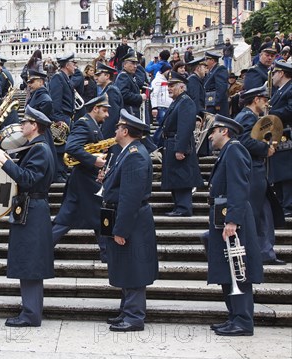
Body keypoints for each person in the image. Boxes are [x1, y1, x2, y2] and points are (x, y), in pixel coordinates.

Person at [0, 106, 56, 327]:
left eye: (25, 122)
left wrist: (5, 161)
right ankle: (29, 310)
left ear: (34, 126)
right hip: (30, 207)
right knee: (28, 262)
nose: (21, 126)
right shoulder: (36, 147)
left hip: (33, 209)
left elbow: (28, 179)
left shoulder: (40, 149)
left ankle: (30, 314)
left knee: (30, 263)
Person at [205, 114, 262, 336]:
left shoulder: (235, 150)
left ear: (224, 131)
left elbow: (239, 187)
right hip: (224, 216)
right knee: (228, 269)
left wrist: (233, 220)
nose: (210, 136)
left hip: (232, 218)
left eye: (213, 131)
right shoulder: (228, 151)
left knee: (238, 270)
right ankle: (234, 316)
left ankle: (243, 320)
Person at [101, 110, 158, 332]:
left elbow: (130, 197)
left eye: (117, 127)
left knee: (133, 267)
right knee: (126, 266)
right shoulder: (127, 152)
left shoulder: (134, 154)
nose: (115, 130)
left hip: (131, 220)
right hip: (125, 217)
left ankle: (134, 316)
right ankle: (126, 310)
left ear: (125, 131)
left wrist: (121, 229)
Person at [52, 95, 109, 260]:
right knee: (68, 218)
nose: (107, 115)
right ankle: (42, 248)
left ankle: (107, 253)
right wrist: (94, 160)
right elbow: (71, 146)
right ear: (95, 108)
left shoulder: (93, 125)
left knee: (96, 217)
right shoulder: (84, 123)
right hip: (84, 180)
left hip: (88, 180)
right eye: (104, 110)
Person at [234, 86, 286, 265]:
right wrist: (266, 149)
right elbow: (245, 141)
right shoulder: (247, 117)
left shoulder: (246, 116)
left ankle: (265, 253)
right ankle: (259, 254)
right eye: (264, 99)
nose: (266, 103)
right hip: (253, 171)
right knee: (258, 214)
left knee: (264, 214)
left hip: (255, 172)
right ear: (256, 100)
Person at [160, 72, 204, 217]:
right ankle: (178, 206)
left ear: (182, 87)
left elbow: (185, 127)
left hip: (179, 144)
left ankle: (184, 208)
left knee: (181, 177)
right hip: (171, 143)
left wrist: (180, 148)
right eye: (169, 85)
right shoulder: (178, 101)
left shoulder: (185, 101)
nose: (169, 88)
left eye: (172, 85)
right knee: (175, 177)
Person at [268, 61, 292, 217]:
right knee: (278, 172)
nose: (273, 76)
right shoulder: (279, 90)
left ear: (281, 73)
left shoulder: (290, 89)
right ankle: (283, 203)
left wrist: (272, 113)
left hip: (287, 135)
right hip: (278, 135)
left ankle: (288, 205)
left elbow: (290, 109)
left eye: (274, 73)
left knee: (286, 172)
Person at [49, 52, 77, 182]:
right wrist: (58, 120)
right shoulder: (58, 78)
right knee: (59, 147)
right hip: (60, 119)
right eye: (73, 64)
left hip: (66, 118)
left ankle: (62, 172)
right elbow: (55, 101)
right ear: (67, 65)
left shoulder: (65, 78)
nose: (75, 67)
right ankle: (58, 174)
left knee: (64, 147)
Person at [95, 64, 123, 140]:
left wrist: (105, 139)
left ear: (107, 76)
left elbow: (111, 118)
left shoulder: (111, 91)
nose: (96, 78)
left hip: (111, 136)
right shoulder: (108, 90)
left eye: (98, 75)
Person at [115, 51, 146, 119]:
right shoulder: (123, 76)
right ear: (125, 64)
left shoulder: (129, 76)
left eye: (136, 64)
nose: (135, 66)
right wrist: (140, 97)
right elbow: (124, 95)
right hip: (129, 112)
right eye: (132, 63)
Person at [204, 51, 229, 117]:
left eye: (207, 59)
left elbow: (221, 87)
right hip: (210, 101)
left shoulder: (220, 69)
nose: (205, 62)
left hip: (217, 104)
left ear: (212, 60)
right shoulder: (212, 70)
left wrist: (217, 102)